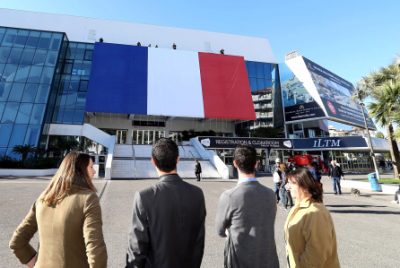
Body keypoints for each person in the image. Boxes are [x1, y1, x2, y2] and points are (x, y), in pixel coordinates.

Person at [9, 152, 107, 268]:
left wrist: (36, 263)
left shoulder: (43, 198)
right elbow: (96, 250)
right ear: (81, 170)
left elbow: (17, 242)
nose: (94, 172)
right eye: (91, 167)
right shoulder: (88, 199)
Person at [126, 138, 206, 268]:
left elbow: (137, 248)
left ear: (153, 161)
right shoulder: (197, 194)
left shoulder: (144, 197)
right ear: (178, 159)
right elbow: (199, 242)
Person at [216, 145, 279, 268]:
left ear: (235, 163)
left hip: (239, 259)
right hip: (268, 259)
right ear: (256, 164)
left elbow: (220, 230)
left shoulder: (229, 196)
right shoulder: (270, 194)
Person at [284, 168, 340, 268]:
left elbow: (317, 253)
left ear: (304, 186)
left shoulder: (315, 212)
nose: (287, 187)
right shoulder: (297, 207)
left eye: (291, 184)